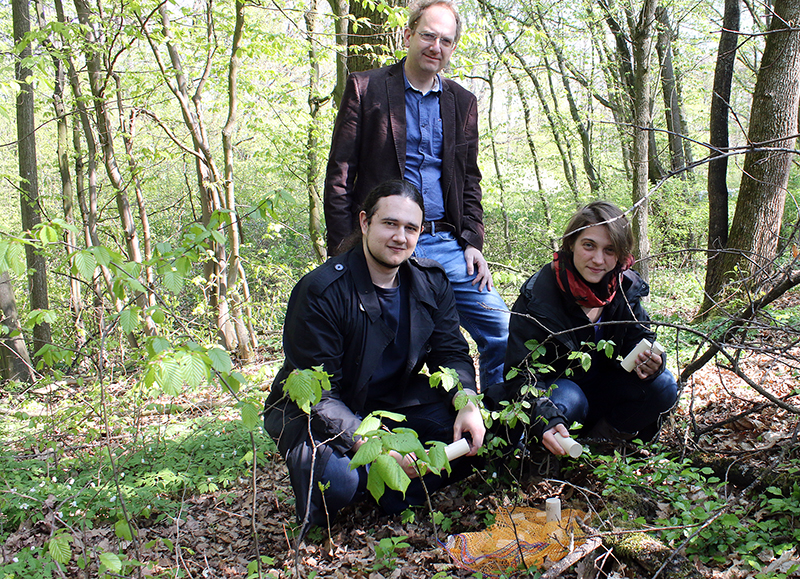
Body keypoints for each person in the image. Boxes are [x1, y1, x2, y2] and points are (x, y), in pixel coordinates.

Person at [264, 181, 486, 534]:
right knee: (338, 483)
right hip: (321, 408)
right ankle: (355, 493)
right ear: (365, 222)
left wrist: (467, 402)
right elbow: (318, 396)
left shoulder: (430, 281)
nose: (400, 236)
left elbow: (452, 351)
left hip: (394, 398)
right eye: (390, 224)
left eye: (411, 228)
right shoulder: (321, 291)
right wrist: (379, 446)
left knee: (472, 443)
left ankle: (390, 489)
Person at [324, 0, 509, 388]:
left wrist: (472, 240)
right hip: (385, 241)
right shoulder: (367, 88)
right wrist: (345, 249)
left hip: (445, 243)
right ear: (408, 35)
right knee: (379, 344)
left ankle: (497, 428)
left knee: (502, 329)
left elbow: (469, 180)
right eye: (427, 35)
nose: (435, 46)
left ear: (453, 47)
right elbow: (341, 175)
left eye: (445, 40)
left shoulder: (463, 102)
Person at [498, 201, 679, 456]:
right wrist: (543, 414)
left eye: (609, 250)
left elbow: (642, 338)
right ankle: (545, 457)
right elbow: (519, 375)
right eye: (589, 245)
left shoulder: (623, 288)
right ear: (571, 243)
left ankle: (599, 448)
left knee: (664, 384)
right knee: (570, 397)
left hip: (602, 389)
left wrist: (652, 362)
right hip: (559, 398)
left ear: (620, 255)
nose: (598, 260)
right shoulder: (538, 296)